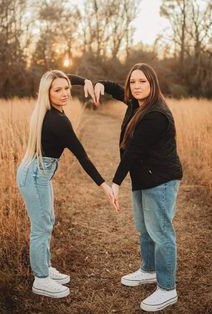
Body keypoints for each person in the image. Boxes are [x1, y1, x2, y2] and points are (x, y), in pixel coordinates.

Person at [16, 70, 118, 299]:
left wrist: (85, 81)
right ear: (47, 93)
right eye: (58, 90)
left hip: (38, 173)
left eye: (66, 89)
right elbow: (82, 156)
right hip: (34, 176)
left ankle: (45, 266)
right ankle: (41, 279)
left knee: (47, 220)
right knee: (41, 227)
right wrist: (104, 185)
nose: (64, 93)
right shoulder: (57, 121)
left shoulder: (49, 110)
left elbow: (59, 77)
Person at [94, 63, 183, 312]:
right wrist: (99, 84)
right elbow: (115, 88)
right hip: (144, 177)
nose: (136, 86)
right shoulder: (136, 103)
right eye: (133, 82)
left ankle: (167, 288)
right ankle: (148, 270)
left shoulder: (155, 114)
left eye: (142, 81)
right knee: (144, 228)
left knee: (161, 232)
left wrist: (115, 183)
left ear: (152, 83)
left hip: (161, 179)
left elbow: (133, 152)